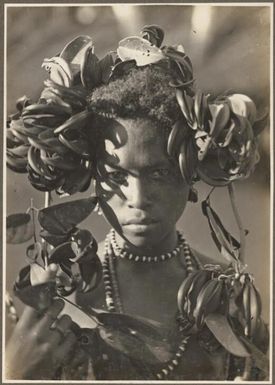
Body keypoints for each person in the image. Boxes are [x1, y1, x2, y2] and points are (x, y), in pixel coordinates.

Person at [5, 26, 269, 381]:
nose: (138, 199)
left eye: (159, 173)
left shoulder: (223, 294)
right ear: (93, 175)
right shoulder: (62, 295)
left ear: (190, 171)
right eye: (116, 176)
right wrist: (15, 371)